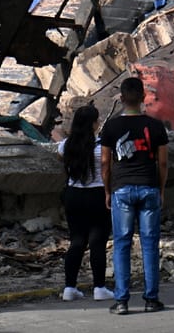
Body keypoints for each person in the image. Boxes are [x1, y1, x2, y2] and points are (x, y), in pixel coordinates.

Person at [100, 76, 169, 315]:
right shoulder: (156, 126)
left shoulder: (111, 127)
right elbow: (162, 163)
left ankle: (121, 300)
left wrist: (107, 190)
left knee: (122, 244)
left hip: (122, 190)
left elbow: (105, 163)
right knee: (149, 244)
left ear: (121, 99)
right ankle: (151, 299)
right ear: (143, 97)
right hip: (149, 187)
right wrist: (161, 190)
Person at [57, 104, 114, 302]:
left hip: (73, 194)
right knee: (97, 241)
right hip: (97, 194)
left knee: (76, 240)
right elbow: (108, 168)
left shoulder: (66, 145)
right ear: (93, 124)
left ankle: (69, 287)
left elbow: (62, 161)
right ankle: (99, 287)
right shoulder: (101, 147)